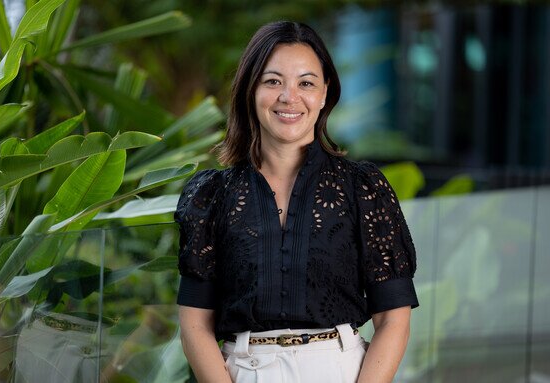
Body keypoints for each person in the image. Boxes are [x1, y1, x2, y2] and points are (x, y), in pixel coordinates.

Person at [175, 21, 418, 383]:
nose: (289, 97)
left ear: (324, 94)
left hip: (341, 371)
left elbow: (392, 318)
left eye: (306, 83)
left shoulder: (362, 188)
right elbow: (195, 324)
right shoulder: (213, 195)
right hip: (244, 372)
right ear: (250, 90)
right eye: (273, 81)